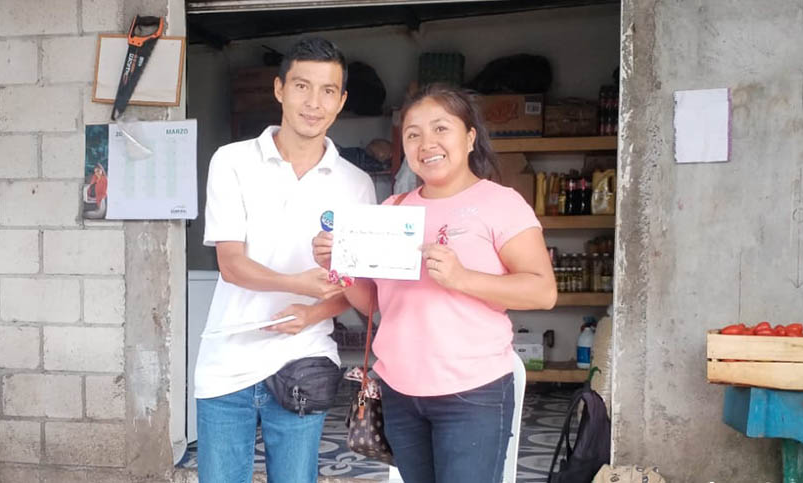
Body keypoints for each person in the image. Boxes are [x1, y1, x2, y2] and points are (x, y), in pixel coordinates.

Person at [313, 83, 557, 483]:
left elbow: (543, 291)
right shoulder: (393, 210)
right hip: (400, 390)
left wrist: (463, 279)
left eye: (441, 128)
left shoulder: (501, 203)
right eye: (413, 134)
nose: (427, 143)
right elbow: (375, 304)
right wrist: (339, 266)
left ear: (470, 137)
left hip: (472, 392)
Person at [195, 37, 376, 483]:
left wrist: (312, 312)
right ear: (279, 90)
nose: (313, 103)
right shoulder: (232, 162)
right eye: (301, 86)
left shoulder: (356, 184)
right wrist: (300, 285)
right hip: (227, 360)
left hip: (303, 359)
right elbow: (231, 264)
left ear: (341, 101)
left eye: (327, 90)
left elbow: (354, 290)